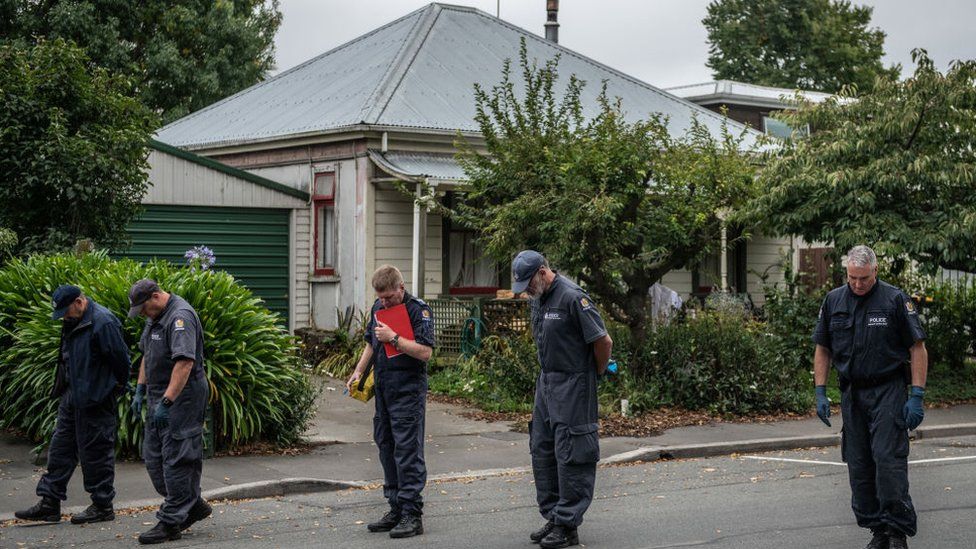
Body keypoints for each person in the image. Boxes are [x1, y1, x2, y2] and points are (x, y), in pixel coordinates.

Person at [812, 245, 928, 549]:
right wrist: (820, 390)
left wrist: (916, 395)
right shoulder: (834, 300)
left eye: (863, 278)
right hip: (852, 393)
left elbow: (918, 348)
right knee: (859, 465)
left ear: (875, 271)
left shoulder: (894, 300)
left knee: (888, 461)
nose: (858, 284)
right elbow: (823, 348)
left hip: (887, 390)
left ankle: (896, 531)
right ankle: (877, 529)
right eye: (852, 277)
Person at [513, 250, 613, 549]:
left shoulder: (572, 297)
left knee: (573, 451)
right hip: (547, 381)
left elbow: (602, 341)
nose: (527, 291)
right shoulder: (539, 299)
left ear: (543, 272)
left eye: (529, 284)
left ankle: (568, 525)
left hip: (574, 382)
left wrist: (591, 375)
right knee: (542, 449)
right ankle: (555, 516)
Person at [15, 285, 129, 524]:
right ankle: (49, 503)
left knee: (96, 453)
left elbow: (121, 362)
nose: (64, 317)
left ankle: (102, 505)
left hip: (96, 398)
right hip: (72, 395)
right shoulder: (74, 321)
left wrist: (109, 391)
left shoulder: (103, 322)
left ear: (79, 301)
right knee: (60, 449)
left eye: (66, 311)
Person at [346, 265, 435, 539]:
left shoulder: (418, 310)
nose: (384, 302)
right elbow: (371, 343)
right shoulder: (377, 307)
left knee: (407, 451)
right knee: (386, 446)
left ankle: (412, 514)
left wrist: (395, 339)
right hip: (384, 388)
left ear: (401, 287)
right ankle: (395, 507)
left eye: (388, 297)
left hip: (408, 390)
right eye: (380, 298)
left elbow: (425, 352)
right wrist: (359, 371)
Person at [128, 279, 211, 544]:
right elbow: (147, 355)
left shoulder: (180, 317)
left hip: (181, 400)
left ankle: (171, 521)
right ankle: (193, 504)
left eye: (143, 308)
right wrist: (141, 389)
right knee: (153, 458)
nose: (142, 313)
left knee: (177, 459)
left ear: (155, 296)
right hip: (157, 397)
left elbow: (185, 363)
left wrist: (167, 402)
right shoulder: (155, 317)